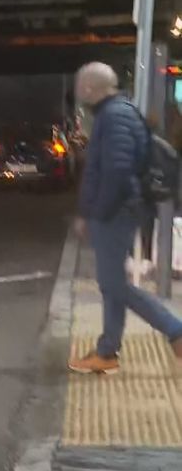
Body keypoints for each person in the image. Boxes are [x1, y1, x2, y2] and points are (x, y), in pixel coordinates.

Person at [69, 62, 182, 374]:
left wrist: (96, 213)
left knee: (114, 284)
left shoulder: (114, 116)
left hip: (116, 212)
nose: (78, 93)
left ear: (91, 88)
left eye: (81, 86)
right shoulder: (118, 112)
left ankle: (175, 330)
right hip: (121, 209)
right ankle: (107, 351)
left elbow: (117, 171)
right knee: (111, 284)